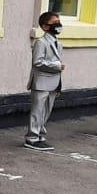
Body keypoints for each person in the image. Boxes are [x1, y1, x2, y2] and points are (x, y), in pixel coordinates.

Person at [24, 11, 64, 150]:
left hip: (53, 82)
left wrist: (59, 83)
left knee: (46, 110)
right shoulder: (41, 42)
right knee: (37, 110)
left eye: (59, 22)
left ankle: (40, 134)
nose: (58, 25)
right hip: (41, 82)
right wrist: (57, 66)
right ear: (45, 26)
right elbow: (38, 62)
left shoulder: (58, 43)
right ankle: (32, 137)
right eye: (55, 22)